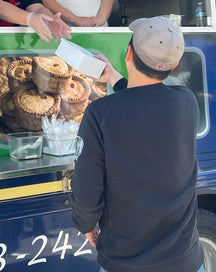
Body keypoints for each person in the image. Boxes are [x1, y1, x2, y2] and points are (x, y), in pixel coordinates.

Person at [71, 16, 204, 272]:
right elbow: (146, 100)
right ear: (174, 65)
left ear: (128, 53)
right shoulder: (186, 102)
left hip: (126, 264)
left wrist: (85, 224)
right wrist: (112, 77)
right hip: (186, 260)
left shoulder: (99, 114)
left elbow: (87, 188)